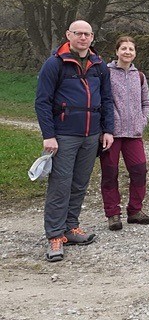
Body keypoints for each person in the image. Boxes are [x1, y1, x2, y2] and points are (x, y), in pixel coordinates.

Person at [34, 20, 114, 262]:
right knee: (60, 184)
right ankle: (55, 236)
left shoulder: (99, 65)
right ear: (68, 35)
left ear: (92, 37)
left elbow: (108, 100)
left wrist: (107, 130)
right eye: (78, 33)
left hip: (91, 136)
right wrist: (49, 135)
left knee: (79, 183)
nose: (82, 37)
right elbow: (42, 102)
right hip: (64, 135)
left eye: (87, 34)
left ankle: (71, 227)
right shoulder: (54, 64)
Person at [100, 36, 149, 230]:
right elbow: (100, 101)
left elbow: (146, 103)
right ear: (117, 51)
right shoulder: (106, 73)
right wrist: (105, 127)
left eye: (131, 49)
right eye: (123, 48)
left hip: (134, 134)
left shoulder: (139, 76)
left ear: (135, 53)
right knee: (110, 174)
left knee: (139, 171)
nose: (127, 52)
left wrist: (142, 121)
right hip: (111, 134)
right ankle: (113, 214)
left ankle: (135, 210)